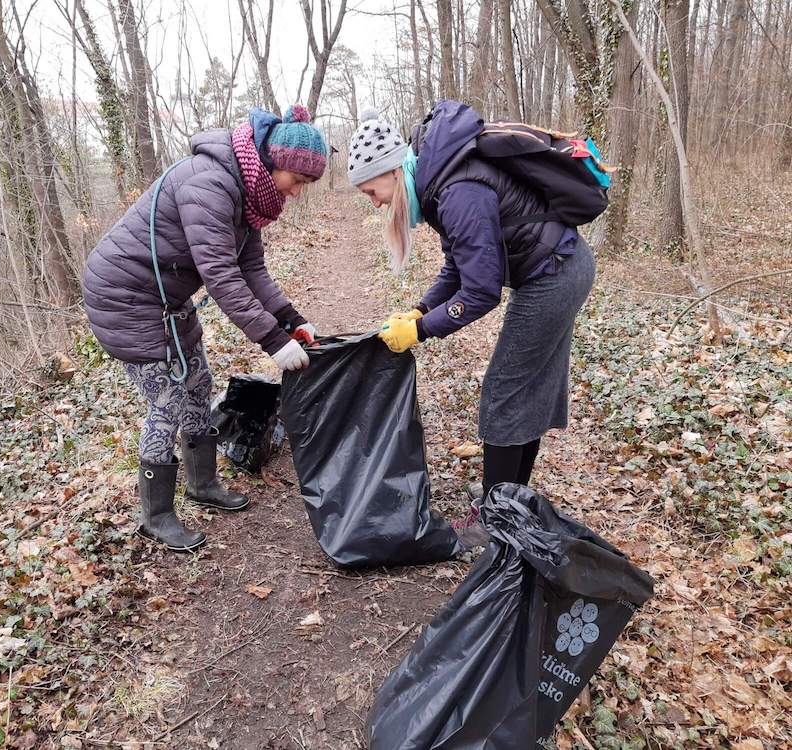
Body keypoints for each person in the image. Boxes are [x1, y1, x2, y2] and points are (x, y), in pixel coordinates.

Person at [83, 104, 327, 553]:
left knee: (198, 384)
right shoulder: (210, 183)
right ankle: (155, 516)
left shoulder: (249, 195)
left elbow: (251, 268)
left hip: (166, 299)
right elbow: (221, 276)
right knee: (168, 402)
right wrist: (273, 342)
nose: (296, 193)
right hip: (124, 298)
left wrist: (290, 319)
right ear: (275, 164)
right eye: (298, 182)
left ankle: (203, 484)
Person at [347, 101, 596, 504]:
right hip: (558, 267)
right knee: (523, 391)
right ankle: (510, 499)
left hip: (555, 276)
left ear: (393, 171)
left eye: (372, 191)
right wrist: (421, 309)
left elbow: (481, 292)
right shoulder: (439, 181)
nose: (374, 203)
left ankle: (496, 514)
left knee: (505, 392)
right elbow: (457, 266)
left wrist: (422, 330)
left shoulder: (456, 191)